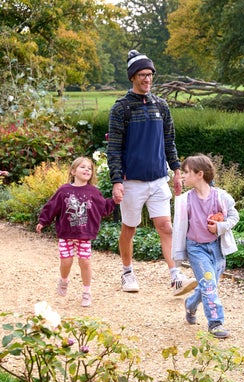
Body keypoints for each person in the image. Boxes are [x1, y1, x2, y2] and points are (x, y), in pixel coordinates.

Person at [107, 49, 196, 295]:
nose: (147, 79)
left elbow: (169, 141)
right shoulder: (121, 109)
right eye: (142, 75)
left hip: (158, 179)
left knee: (166, 226)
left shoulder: (161, 106)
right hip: (132, 181)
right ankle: (127, 273)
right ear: (133, 77)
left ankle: (176, 275)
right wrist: (116, 181)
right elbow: (113, 147)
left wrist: (176, 170)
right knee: (129, 229)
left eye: (150, 75)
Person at [171, 154, 239, 339]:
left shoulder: (221, 197)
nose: (182, 176)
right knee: (209, 284)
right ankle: (215, 323)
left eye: (186, 172)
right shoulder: (185, 200)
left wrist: (220, 227)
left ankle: (190, 304)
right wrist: (176, 262)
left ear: (199, 174)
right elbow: (178, 230)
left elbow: (234, 217)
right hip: (196, 249)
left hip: (216, 248)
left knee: (208, 285)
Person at [36, 157, 116, 307]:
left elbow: (103, 208)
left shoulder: (93, 192)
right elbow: (52, 206)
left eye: (89, 168)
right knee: (66, 262)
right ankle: (64, 280)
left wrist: (114, 201)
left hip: (84, 234)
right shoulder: (64, 191)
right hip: (66, 233)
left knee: (85, 262)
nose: (87, 170)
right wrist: (43, 221)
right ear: (73, 171)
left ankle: (86, 292)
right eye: (82, 167)